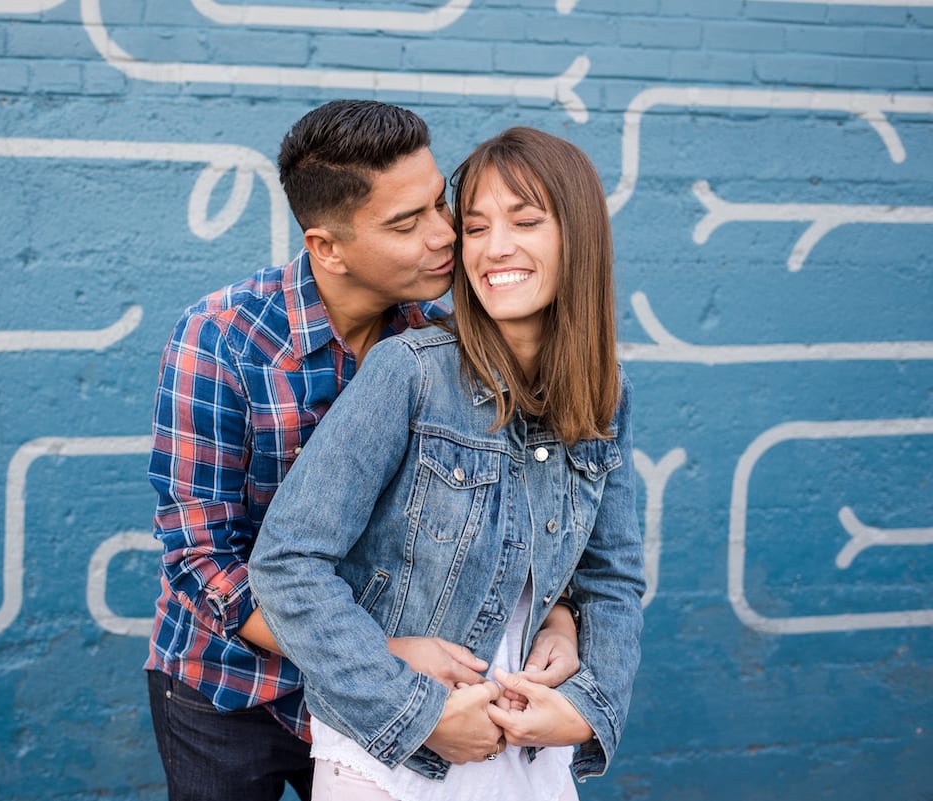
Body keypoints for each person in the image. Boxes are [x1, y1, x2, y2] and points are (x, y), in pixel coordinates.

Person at [145, 104, 584, 801]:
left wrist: (560, 612)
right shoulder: (222, 340)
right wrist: (375, 652)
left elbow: (518, 511)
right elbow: (202, 560)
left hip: (390, 695)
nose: (445, 234)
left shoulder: (443, 342)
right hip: (233, 686)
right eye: (406, 225)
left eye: (439, 203)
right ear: (328, 247)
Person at [248, 126, 646, 801]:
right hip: (392, 764)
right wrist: (418, 714)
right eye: (477, 226)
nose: (495, 247)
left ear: (578, 238)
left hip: (529, 759)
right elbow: (287, 564)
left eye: (526, 222)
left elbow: (612, 576)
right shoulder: (410, 373)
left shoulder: (605, 393)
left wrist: (587, 707)